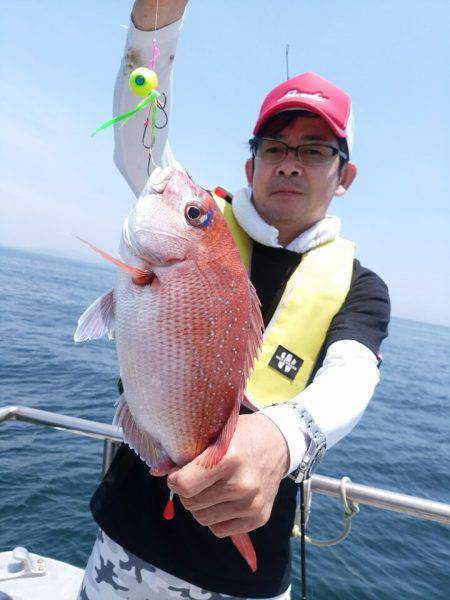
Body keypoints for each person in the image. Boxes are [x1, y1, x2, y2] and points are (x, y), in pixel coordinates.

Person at [78, 1, 390, 598]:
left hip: (246, 570)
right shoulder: (194, 222)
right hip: (128, 538)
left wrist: (282, 437)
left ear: (343, 175)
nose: (290, 164)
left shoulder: (360, 286)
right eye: (275, 147)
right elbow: (137, 130)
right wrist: (154, 29)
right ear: (251, 163)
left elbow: (352, 377)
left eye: (315, 150)